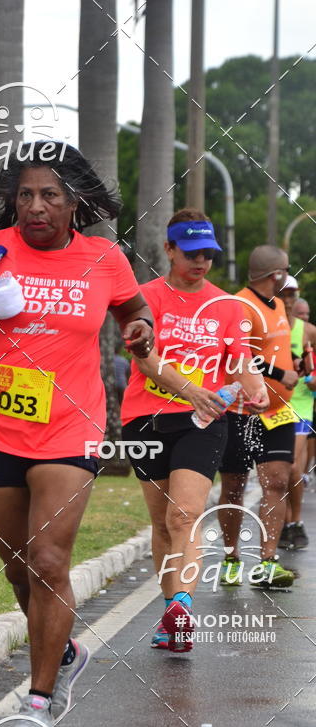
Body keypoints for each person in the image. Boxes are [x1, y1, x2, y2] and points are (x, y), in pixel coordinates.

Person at [0, 142, 155, 727]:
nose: (35, 206)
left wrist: (139, 329)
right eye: (25, 194)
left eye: (50, 194)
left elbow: (134, 312)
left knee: (50, 560)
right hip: (2, 427)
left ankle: (40, 700)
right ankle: (64, 649)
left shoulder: (103, 258)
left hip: (72, 429)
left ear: (74, 202)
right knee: (19, 569)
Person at [121, 209, 267, 652]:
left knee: (183, 514)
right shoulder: (143, 298)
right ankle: (170, 616)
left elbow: (240, 362)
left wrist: (256, 390)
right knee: (162, 524)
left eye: (209, 254)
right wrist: (191, 390)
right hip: (145, 419)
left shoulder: (226, 306)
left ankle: (183, 606)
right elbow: (145, 359)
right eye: (192, 253)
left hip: (203, 422)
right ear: (169, 250)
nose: (201, 261)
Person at [218, 246, 298, 587]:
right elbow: (240, 356)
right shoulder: (241, 305)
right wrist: (280, 376)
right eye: (286, 270)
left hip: (278, 413)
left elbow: (273, 349)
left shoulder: (279, 304)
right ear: (274, 275)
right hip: (241, 411)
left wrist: (293, 365)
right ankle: (231, 557)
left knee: (277, 483)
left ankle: (267, 561)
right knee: (234, 487)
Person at [278, 277, 316, 550]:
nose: (289, 299)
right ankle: (284, 523)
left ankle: (295, 521)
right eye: (284, 293)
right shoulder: (268, 326)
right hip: (273, 404)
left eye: (293, 293)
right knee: (279, 471)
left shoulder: (308, 331)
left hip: (301, 404)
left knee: (293, 468)